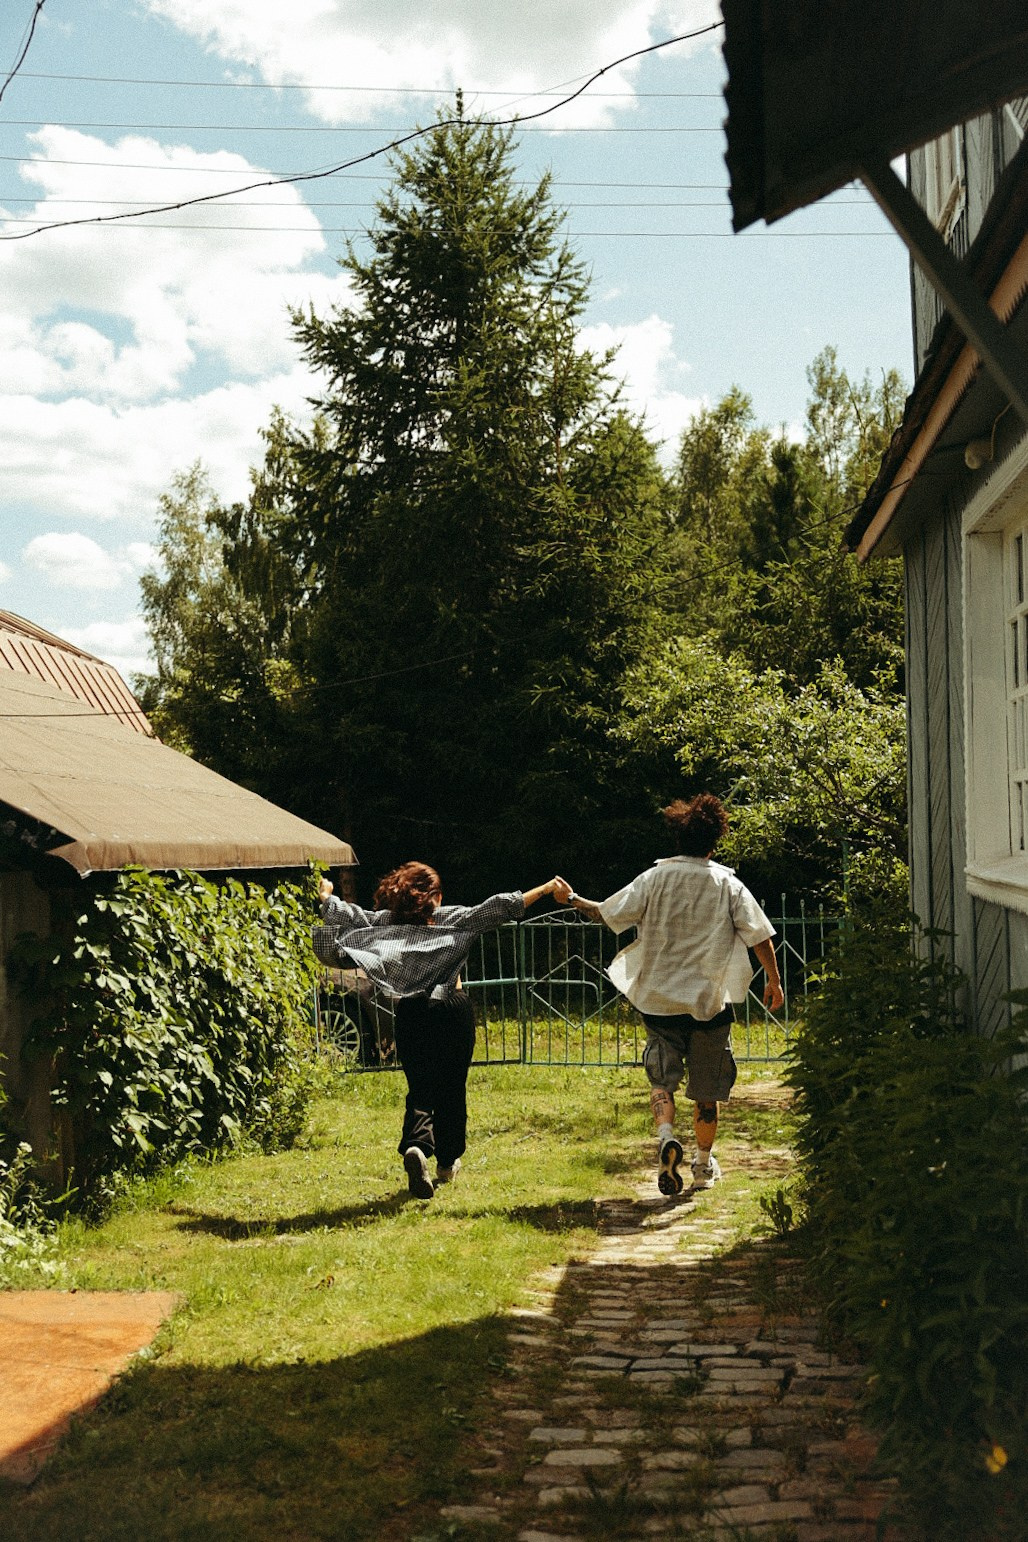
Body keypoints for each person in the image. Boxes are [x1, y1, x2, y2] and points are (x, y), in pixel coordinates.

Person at [553, 794, 784, 1196]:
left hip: (659, 1003)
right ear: (715, 840)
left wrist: (570, 898)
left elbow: (606, 913)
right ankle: (702, 1164)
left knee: (661, 1081)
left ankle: (666, 1138)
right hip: (709, 1005)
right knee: (707, 1092)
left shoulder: (654, 879)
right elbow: (759, 935)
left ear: (678, 836)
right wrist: (774, 980)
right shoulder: (728, 884)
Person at [317, 864, 562, 1199]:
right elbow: (500, 907)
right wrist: (546, 889)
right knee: (451, 1088)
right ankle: (446, 1162)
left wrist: (326, 897)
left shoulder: (386, 922)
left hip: (412, 1012)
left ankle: (416, 1146)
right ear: (436, 895)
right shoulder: (452, 918)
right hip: (451, 1009)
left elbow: (351, 915)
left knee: (420, 1087)